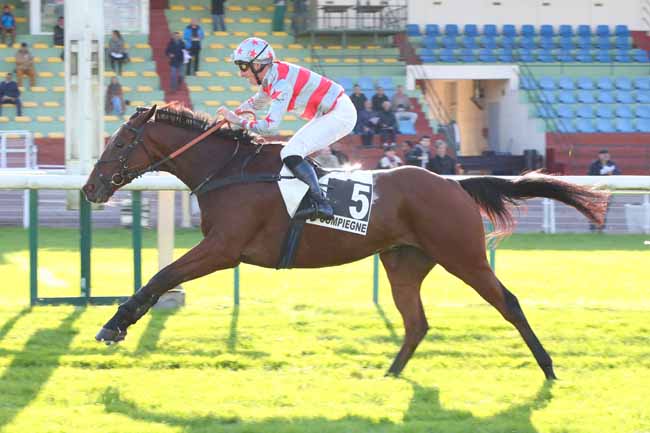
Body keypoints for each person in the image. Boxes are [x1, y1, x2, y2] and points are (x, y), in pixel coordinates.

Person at [215, 37, 356, 220]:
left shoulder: (281, 83)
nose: (241, 73)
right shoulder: (272, 76)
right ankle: (314, 199)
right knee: (291, 152)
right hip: (331, 111)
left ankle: (321, 203)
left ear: (258, 65)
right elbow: (257, 102)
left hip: (340, 113)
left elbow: (269, 128)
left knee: (290, 152)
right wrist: (233, 114)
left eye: (243, 66)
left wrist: (237, 120)